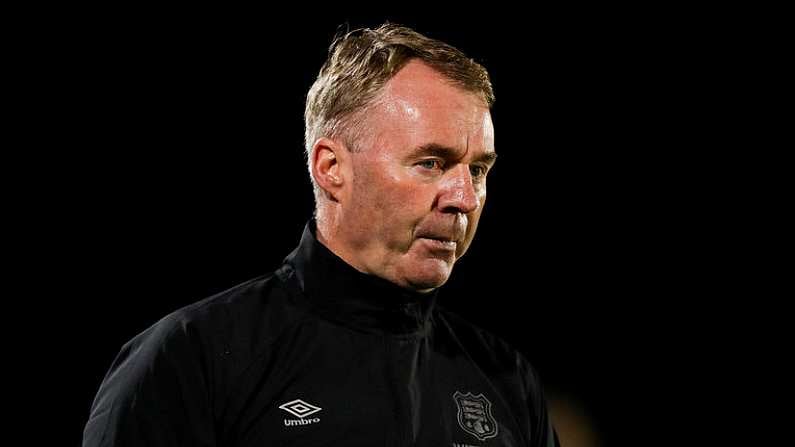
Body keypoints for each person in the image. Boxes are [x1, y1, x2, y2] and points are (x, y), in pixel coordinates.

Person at [83, 23, 559, 446]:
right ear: (332, 168)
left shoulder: (506, 380)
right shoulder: (190, 360)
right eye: (431, 163)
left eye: (477, 170)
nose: (465, 197)